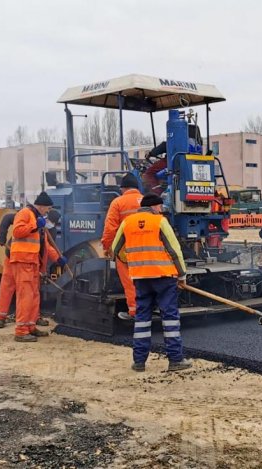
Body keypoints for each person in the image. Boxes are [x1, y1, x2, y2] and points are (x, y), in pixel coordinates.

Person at [112, 193, 192, 372]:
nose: (161, 210)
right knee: (170, 318)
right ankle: (175, 360)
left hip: (140, 278)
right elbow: (174, 250)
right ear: (155, 206)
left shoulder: (127, 222)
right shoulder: (160, 221)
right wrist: (181, 274)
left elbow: (115, 249)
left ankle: (139, 362)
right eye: (160, 207)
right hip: (164, 277)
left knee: (142, 319)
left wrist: (132, 260)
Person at [9, 192, 66, 342]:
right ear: (40, 206)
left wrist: (58, 258)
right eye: (47, 209)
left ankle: (30, 326)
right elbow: (17, 231)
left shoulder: (38, 220)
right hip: (23, 261)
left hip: (33, 262)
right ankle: (21, 331)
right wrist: (35, 225)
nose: (48, 212)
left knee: (34, 295)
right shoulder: (25, 213)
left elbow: (45, 245)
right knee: (25, 295)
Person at [101, 173, 143, 321]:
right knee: (146, 280)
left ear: (123, 188)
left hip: (126, 250)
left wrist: (107, 247)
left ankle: (135, 312)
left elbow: (110, 228)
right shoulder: (147, 201)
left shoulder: (118, 202)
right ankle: (150, 307)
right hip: (149, 250)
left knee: (130, 282)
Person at [142, 124, 201, 194]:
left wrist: (151, 153)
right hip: (193, 163)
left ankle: (156, 194)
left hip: (172, 162)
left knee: (149, 173)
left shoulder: (178, 138)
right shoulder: (197, 143)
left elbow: (164, 146)